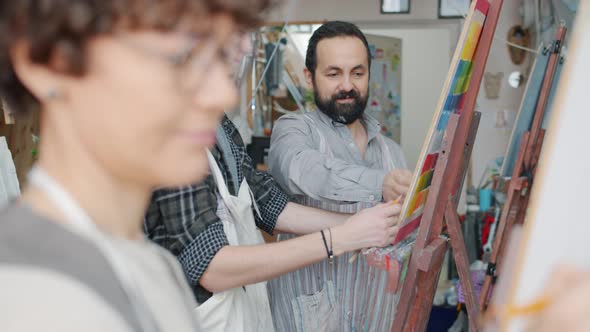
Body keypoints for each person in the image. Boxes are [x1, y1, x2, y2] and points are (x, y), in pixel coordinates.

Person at [0, 0, 275, 331]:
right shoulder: (33, 299)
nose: (222, 94)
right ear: (51, 65)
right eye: (181, 56)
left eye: (219, 56)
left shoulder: (153, 265)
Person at [144, 36, 404, 331]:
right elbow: (211, 267)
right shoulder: (169, 132)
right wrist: (340, 238)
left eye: (357, 72)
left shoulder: (220, 125)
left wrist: (356, 225)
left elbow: (267, 205)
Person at [267, 21, 413, 331]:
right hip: (309, 317)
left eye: (357, 73)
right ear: (310, 77)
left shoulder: (392, 153)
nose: (347, 85)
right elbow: (305, 171)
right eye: (333, 74)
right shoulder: (293, 130)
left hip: (377, 317)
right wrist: (379, 183)